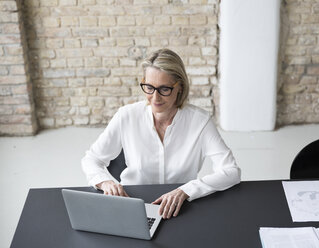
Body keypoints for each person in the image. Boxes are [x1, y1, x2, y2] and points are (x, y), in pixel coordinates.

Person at [82, 48, 241, 219]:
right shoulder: (126, 116)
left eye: (164, 89)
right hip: (133, 205)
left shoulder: (199, 121)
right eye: (149, 87)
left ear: (179, 87)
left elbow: (231, 171)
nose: (155, 98)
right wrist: (105, 182)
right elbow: (92, 159)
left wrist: (186, 190)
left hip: (180, 208)